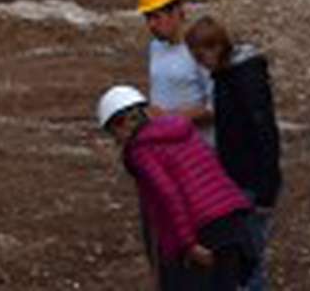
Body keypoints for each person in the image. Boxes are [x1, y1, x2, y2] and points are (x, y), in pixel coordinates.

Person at [96, 85, 257, 290]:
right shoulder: (182, 130)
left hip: (204, 230)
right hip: (233, 222)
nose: (116, 141)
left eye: (113, 133)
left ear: (121, 124)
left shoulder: (141, 151)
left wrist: (188, 245)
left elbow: (169, 196)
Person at [186, 17, 282, 291]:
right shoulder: (227, 77)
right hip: (238, 179)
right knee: (244, 254)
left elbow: (265, 133)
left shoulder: (244, 80)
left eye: (200, 55)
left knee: (250, 258)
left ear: (215, 47)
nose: (199, 63)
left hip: (252, 181)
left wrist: (267, 190)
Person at [137, 0, 214, 144]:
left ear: (177, 12)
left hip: (199, 151)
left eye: (157, 17)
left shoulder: (201, 49)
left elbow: (216, 108)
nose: (151, 25)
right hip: (166, 147)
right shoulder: (155, 47)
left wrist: (169, 118)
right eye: (147, 17)